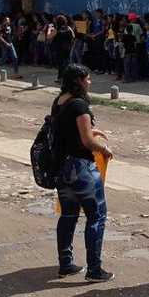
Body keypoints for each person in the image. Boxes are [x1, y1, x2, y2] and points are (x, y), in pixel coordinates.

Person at [50, 64, 114, 282]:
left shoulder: (59, 102)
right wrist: (103, 148)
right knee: (96, 216)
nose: (89, 82)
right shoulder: (79, 105)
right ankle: (94, 270)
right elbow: (86, 141)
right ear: (78, 80)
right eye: (87, 79)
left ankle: (65, 264)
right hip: (81, 169)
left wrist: (91, 131)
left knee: (68, 215)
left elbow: (66, 131)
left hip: (61, 168)